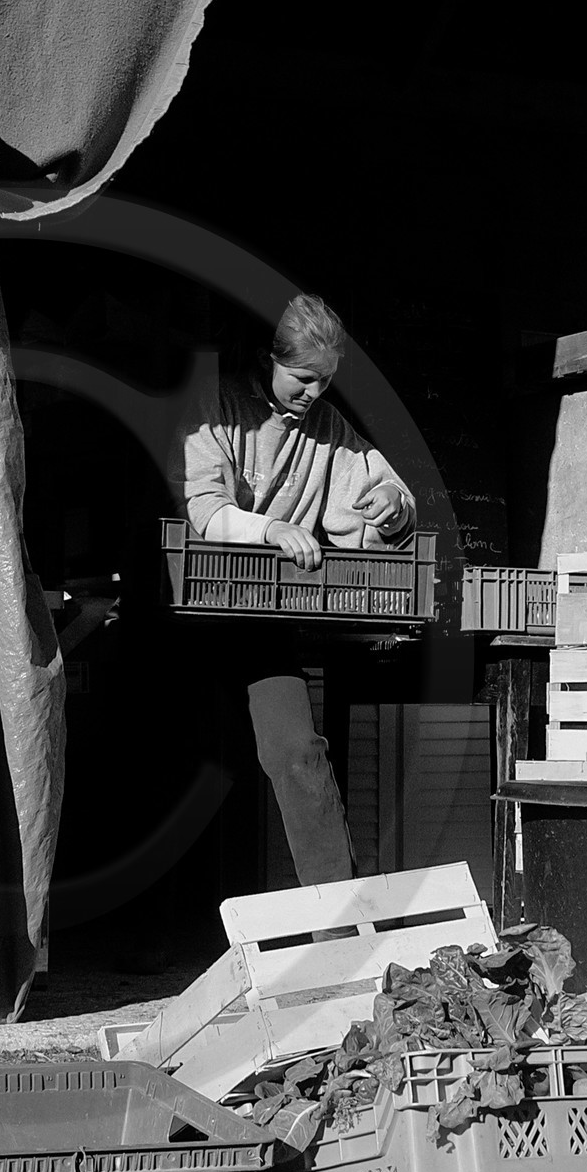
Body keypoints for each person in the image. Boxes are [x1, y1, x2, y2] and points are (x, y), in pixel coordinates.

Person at [177, 294, 417, 888]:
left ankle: (337, 924)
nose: (313, 393)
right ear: (268, 360)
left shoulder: (327, 427)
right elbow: (206, 509)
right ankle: (153, 934)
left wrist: (393, 505)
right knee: (181, 768)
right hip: (187, 617)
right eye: (302, 379)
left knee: (299, 754)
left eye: (326, 381)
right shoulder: (215, 406)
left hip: (262, 617)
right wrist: (272, 529)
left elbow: (386, 487)